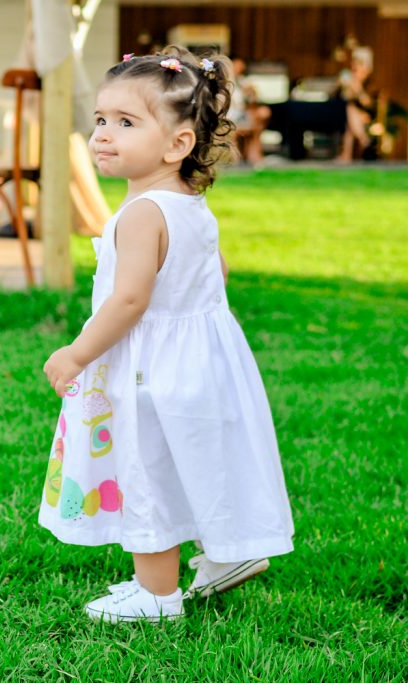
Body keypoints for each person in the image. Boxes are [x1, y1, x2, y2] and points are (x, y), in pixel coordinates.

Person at [38, 47, 294, 623]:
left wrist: (77, 353)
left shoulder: (139, 214)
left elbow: (130, 299)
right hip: (199, 360)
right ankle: (226, 555)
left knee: (146, 469)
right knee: (191, 462)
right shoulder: (189, 204)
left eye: (126, 123)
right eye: (101, 119)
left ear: (178, 144)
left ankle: (157, 596)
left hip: (147, 368)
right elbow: (215, 273)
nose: (103, 134)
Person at [228, 57, 271, 164]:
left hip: (242, 115)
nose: (240, 71)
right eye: (237, 67)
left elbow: (252, 103)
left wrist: (252, 94)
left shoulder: (243, 82)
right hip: (229, 115)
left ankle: (253, 153)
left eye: (242, 69)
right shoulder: (224, 82)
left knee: (263, 113)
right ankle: (239, 157)